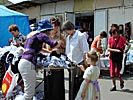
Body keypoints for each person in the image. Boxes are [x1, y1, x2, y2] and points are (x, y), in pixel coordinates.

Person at [18, 19, 62, 100]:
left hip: (23, 62)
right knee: (29, 95)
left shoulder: (33, 36)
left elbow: (40, 49)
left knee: (29, 92)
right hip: (28, 63)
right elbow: (53, 44)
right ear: (47, 30)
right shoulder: (42, 35)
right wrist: (59, 42)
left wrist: (49, 52)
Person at [62, 20, 89, 99]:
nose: (66, 33)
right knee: (72, 84)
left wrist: (85, 64)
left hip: (79, 63)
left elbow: (85, 51)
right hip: (71, 63)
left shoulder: (80, 36)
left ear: (70, 28)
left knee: (78, 84)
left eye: (66, 31)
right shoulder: (68, 37)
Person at [42, 17, 66, 100]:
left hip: (58, 61)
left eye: (57, 26)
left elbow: (66, 48)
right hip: (49, 60)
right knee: (49, 82)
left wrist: (60, 49)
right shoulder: (46, 36)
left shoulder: (61, 36)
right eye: (53, 26)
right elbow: (42, 48)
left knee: (58, 82)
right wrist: (50, 51)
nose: (55, 28)